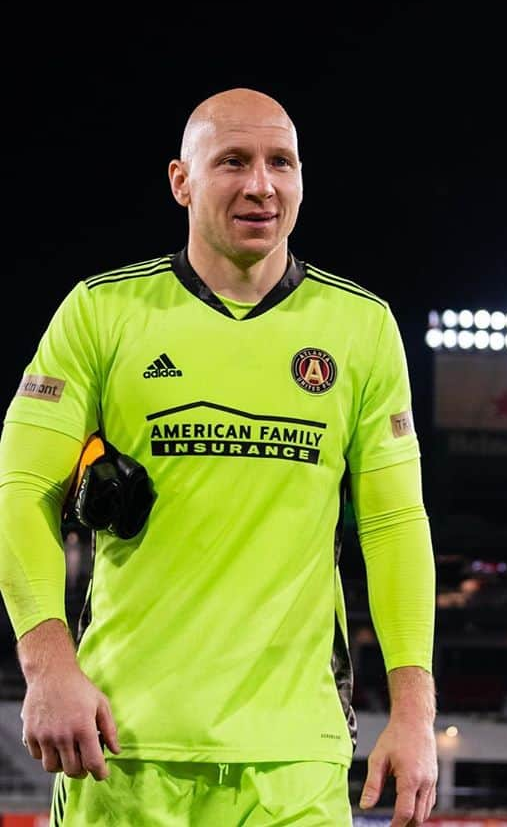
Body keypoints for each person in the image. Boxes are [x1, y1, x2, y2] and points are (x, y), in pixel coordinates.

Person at [0, 88, 437, 825]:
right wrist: (47, 669)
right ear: (182, 180)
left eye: (281, 163)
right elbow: (21, 490)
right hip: (123, 743)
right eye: (232, 161)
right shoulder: (102, 312)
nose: (260, 185)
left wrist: (415, 710)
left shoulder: (360, 328)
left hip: (295, 756)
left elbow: (395, 524)